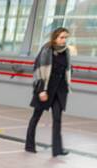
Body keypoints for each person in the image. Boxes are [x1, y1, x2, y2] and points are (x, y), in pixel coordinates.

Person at [26, 27, 72, 157]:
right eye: (62, 37)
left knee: (57, 119)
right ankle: (29, 145)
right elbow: (38, 70)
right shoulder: (46, 51)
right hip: (45, 89)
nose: (64, 40)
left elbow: (68, 70)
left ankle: (57, 149)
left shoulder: (66, 52)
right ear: (55, 38)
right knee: (36, 117)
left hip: (60, 90)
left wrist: (67, 84)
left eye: (66, 38)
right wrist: (41, 90)